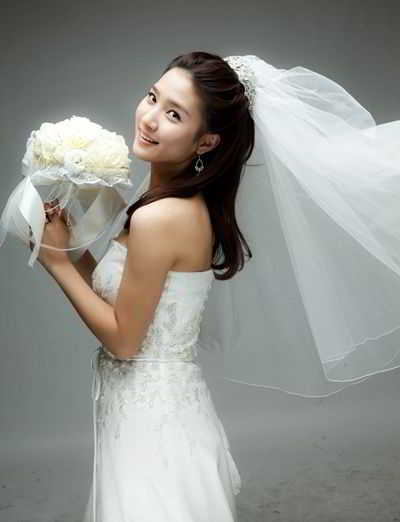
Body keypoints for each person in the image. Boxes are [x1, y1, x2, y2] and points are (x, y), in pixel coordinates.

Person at [32, 51, 248, 522]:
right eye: (153, 97)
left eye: (174, 114)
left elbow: (125, 341)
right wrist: (72, 250)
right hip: (149, 411)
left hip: (153, 423)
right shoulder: (168, 202)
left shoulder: (161, 216)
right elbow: (125, 299)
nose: (149, 118)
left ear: (206, 141)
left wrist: (57, 264)